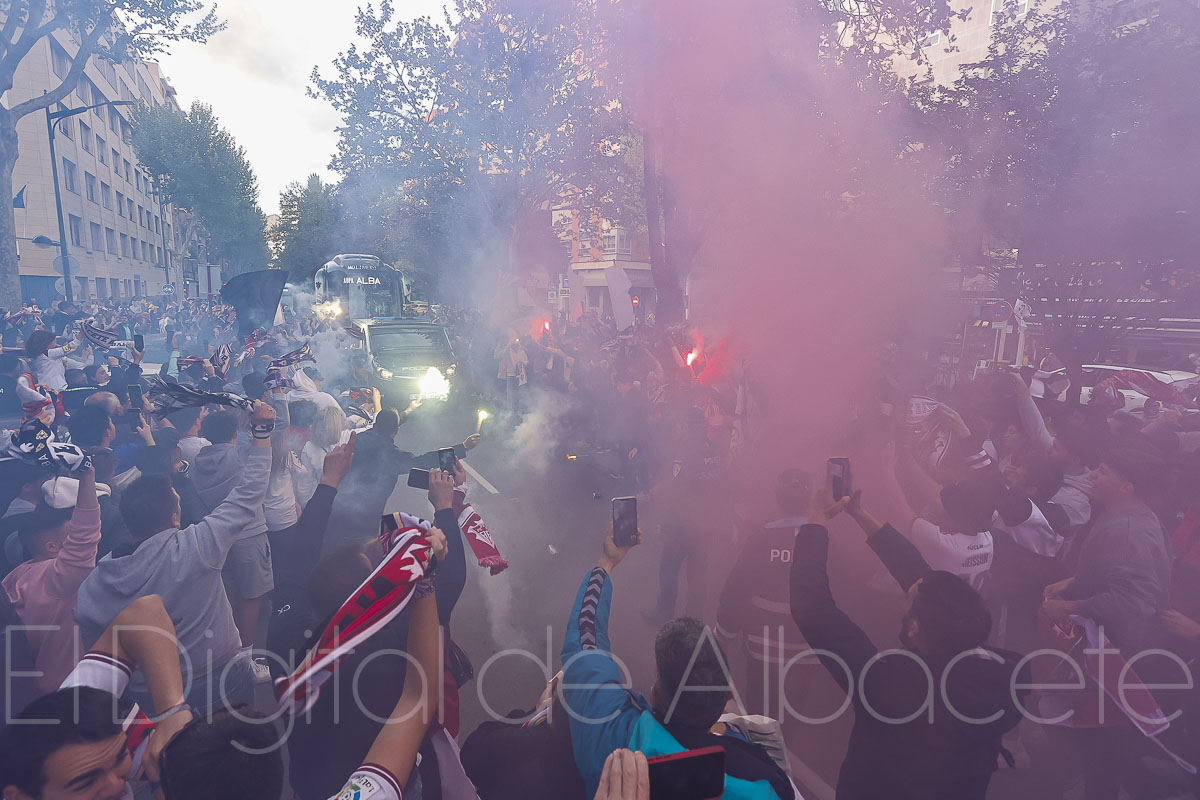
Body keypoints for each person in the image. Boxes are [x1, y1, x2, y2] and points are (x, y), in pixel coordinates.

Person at [790, 479, 1027, 799]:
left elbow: (814, 609)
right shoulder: (1001, 674)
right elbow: (921, 578)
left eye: (908, 601)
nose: (905, 595)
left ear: (915, 628)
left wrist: (816, 522)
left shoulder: (888, 683)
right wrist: (860, 514)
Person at [73, 401, 276, 712]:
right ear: (173, 517)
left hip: (149, 697)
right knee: (234, 751)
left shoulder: (94, 585)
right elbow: (248, 494)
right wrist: (261, 432)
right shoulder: (195, 547)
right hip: (220, 681)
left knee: (169, 759)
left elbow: (93, 645)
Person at [562, 528, 794, 800]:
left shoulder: (613, 735)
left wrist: (607, 562)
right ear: (728, 695)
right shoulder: (763, 787)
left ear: (654, 695)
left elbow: (585, 639)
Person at [716, 468, 818, 718]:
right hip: (806, 654)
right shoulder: (823, 543)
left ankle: (763, 752)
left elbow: (735, 593)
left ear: (777, 498)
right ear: (810, 501)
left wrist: (722, 638)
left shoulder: (759, 540)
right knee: (792, 717)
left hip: (763, 653)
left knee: (761, 719)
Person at [2, 468, 103, 694]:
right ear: (52, 547)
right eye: (70, 527)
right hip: (67, 691)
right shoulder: (58, 579)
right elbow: (85, 536)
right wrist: (87, 477)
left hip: (32, 690)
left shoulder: (15, 577)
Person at [191, 409, 275, 653]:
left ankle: (227, 649)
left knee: (226, 594)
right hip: (249, 534)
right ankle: (245, 655)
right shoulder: (241, 455)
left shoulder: (197, 462)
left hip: (214, 536)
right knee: (252, 595)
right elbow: (275, 435)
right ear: (235, 433)